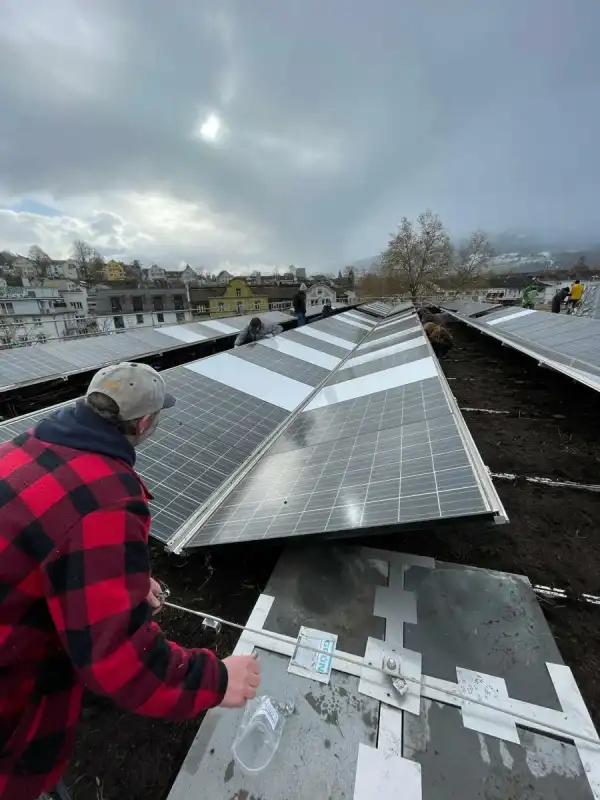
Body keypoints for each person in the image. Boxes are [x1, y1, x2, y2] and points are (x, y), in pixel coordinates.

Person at [0, 362, 260, 800]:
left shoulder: (22, 446)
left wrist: (124, 577)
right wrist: (216, 679)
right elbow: (117, 660)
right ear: (143, 423)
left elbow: (45, 547)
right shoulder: (107, 499)